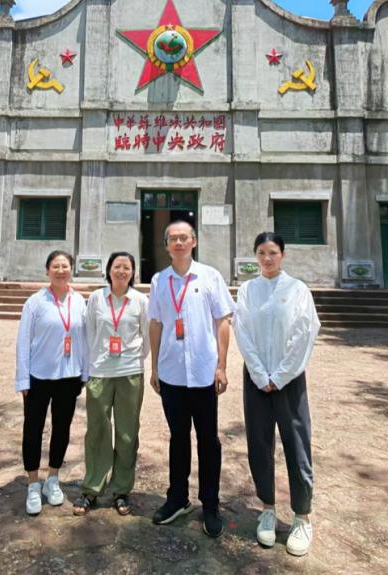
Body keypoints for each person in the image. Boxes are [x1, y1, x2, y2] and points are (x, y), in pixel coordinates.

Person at [233, 232, 321, 557]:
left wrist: (281, 376)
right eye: (261, 253)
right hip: (256, 379)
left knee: (297, 444)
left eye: (272, 252)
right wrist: (260, 374)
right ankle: (267, 509)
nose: (267, 258)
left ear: (282, 254)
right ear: (255, 256)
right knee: (259, 443)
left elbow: (305, 332)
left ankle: (302, 516)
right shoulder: (248, 290)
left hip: (289, 379)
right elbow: (242, 330)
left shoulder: (297, 290)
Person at [147, 220, 234, 538]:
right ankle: (178, 498)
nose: (179, 243)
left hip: (203, 373)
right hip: (171, 373)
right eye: (173, 238)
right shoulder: (159, 280)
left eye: (184, 237)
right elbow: (156, 324)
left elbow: (223, 322)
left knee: (208, 440)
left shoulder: (210, 276)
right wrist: (154, 368)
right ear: (166, 245)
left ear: (194, 242)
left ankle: (210, 503)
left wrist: (222, 366)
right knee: (178, 438)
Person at [73, 252, 149, 516]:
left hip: (130, 373)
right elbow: (89, 334)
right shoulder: (96, 298)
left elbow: (146, 337)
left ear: (133, 272)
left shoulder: (140, 300)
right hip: (100, 372)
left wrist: (133, 359)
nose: (122, 271)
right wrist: (93, 364)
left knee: (128, 433)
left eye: (127, 267)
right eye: (117, 266)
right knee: (97, 430)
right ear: (109, 270)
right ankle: (92, 488)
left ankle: (121, 490)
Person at [15, 250, 88, 516]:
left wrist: (85, 372)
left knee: (62, 428)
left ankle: (53, 478)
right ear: (48, 270)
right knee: (33, 428)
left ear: (72, 270)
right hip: (38, 376)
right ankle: (33, 483)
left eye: (65, 266)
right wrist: (23, 378)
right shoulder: (35, 302)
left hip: (68, 376)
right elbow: (23, 341)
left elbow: (85, 339)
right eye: (55, 266)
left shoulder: (79, 302)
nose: (60, 271)